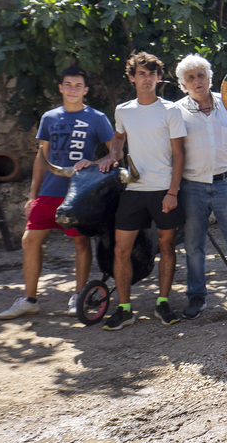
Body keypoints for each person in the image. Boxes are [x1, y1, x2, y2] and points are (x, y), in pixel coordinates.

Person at [79, 52, 187, 330]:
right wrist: (111, 157)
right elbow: (118, 140)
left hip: (164, 189)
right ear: (132, 77)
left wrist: (173, 192)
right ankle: (125, 309)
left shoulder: (171, 110)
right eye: (141, 73)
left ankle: (163, 303)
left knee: (166, 246)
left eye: (152, 73)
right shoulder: (124, 110)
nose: (147, 78)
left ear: (159, 78)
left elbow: (179, 154)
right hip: (134, 189)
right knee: (120, 250)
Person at [0, 67, 115, 319]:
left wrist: (93, 164)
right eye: (68, 84)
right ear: (61, 88)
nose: (73, 89)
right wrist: (32, 194)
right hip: (49, 192)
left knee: (80, 243)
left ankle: (78, 296)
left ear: (85, 90)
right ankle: (29, 299)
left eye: (78, 85)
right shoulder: (50, 117)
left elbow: (114, 152)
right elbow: (42, 157)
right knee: (29, 240)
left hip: (79, 193)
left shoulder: (97, 118)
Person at [174, 54, 227, 319]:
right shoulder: (176, 112)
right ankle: (196, 297)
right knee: (194, 247)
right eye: (191, 78)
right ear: (183, 84)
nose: (197, 81)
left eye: (201, 75)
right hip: (192, 188)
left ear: (210, 78)